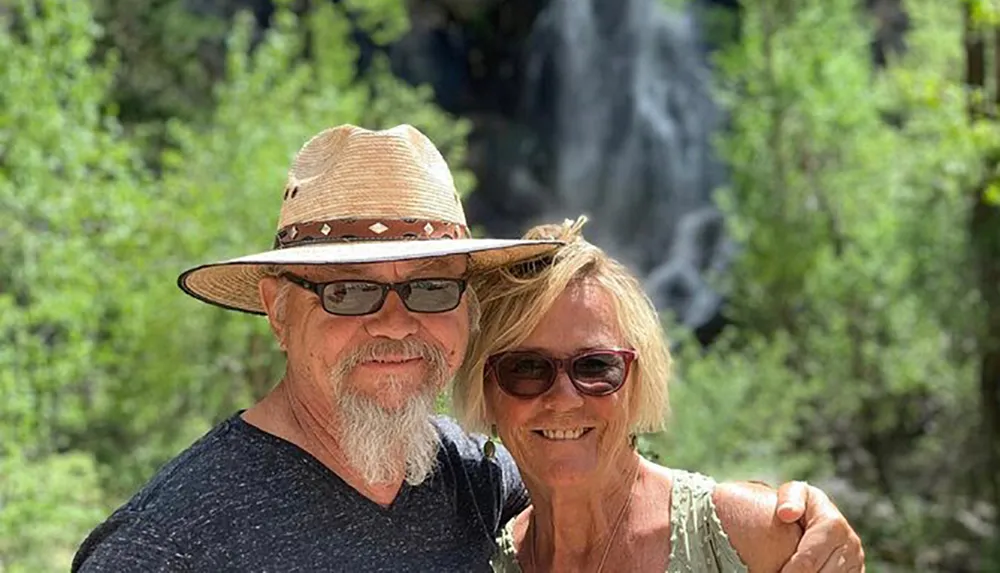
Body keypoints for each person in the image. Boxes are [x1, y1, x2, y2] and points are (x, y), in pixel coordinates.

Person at [72, 124, 863, 572]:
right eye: (347, 291)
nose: (394, 322)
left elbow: (611, 481)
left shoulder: (474, 478)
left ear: (465, 312)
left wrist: (776, 514)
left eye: (430, 286)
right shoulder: (165, 547)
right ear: (279, 309)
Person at [454, 217, 865, 572]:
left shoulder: (748, 534)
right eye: (525, 368)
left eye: (596, 366)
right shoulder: (483, 558)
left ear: (635, 382)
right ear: (484, 389)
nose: (564, 397)